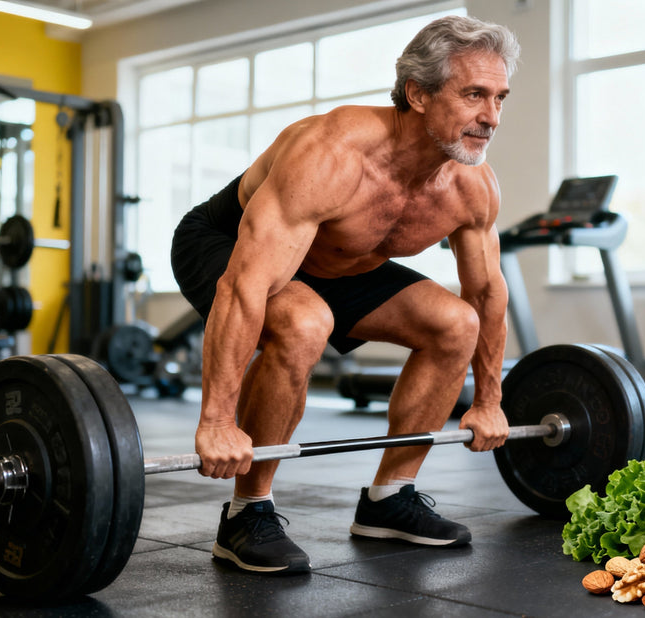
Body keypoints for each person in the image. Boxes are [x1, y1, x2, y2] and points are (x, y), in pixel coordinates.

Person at [171, 14, 520, 575]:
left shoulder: (472, 185)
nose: (491, 116)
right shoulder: (332, 154)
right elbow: (246, 285)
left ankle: (391, 499)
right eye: (474, 94)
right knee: (305, 322)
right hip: (225, 242)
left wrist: (488, 400)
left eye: (500, 97)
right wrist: (215, 419)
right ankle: (246, 513)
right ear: (418, 94)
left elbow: (485, 294)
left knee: (454, 324)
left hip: (343, 263)